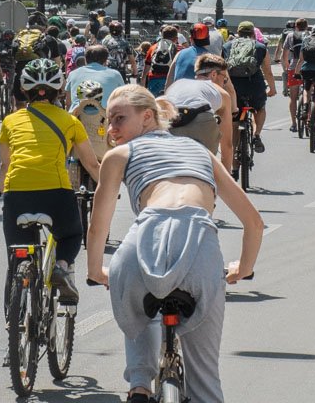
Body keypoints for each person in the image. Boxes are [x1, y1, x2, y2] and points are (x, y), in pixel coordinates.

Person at [86, 85, 263, 403]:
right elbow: (254, 222)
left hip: (144, 241)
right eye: (108, 120)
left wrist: (97, 270)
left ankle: (140, 384)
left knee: (136, 306)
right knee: (205, 382)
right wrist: (243, 268)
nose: (111, 129)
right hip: (200, 248)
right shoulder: (202, 153)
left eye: (119, 119)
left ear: (148, 117)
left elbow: (98, 227)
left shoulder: (119, 156)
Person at [0, 59, 102, 304]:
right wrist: (106, 188)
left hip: (17, 193)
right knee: (71, 235)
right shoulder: (70, 121)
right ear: (59, 90)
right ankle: (61, 267)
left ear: (24, 90)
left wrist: (1, 190)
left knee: (17, 255)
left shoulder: (10, 121)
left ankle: (14, 308)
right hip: (56, 192)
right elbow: (90, 163)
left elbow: (5, 164)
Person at [164, 53, 235, 171]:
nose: (224, 83)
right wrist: (226, 181)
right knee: (205, 169)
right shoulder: (220, 92)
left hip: (169, 121)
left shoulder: (177, 84)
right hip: (201, 120)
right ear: (213, 74)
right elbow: (227, 145)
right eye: (224, 79)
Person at [223, 21, 276, 153]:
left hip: (234, 87)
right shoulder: (260, 47)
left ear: (238, 33)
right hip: (254, 86)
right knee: (260, 108)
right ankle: (256, 135)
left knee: (235, 119)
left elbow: (221, 70)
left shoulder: (227, 46)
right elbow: (268, 71)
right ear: (253, 33)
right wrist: (272, 88)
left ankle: (234, 159)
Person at [66, 45, 126, 110]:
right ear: (106, 61)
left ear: (85, 59)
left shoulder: (73, 74)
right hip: (105, 117)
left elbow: (68, 103)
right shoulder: (115, 75)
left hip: (77, 117)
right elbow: (123, 99)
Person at [70, 79, 111, 160]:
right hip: (101, 155)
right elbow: (110, 140)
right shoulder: (106, 114)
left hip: (78, 156)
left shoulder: (74, 113)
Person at [279, 19, 307, 131]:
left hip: (293, 68)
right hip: (307, 68)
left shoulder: (290, 36)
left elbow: (284, 56)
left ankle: (294, 123)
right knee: (309, 93)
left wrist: (287, 68)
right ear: (307, 26)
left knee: (293, 97)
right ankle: (309, 116)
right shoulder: (309, 35)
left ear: (296, 26)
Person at [142, 25, 180, 95]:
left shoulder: (153, 48)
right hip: (171, 81)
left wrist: (142, 89)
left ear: (162, 37)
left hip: (154, 80)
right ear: (176, 39)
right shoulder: (179, 49)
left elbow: (145, 72)